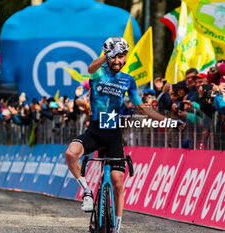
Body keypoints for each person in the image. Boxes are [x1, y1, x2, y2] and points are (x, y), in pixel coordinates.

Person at [65, 36, 185, 233]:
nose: (118, 61)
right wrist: (105, 57)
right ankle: (87, 192)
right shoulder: (98, 75)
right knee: (71, 154)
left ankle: (117, 228)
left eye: (122, 57)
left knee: (117, 182)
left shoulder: (128, 80)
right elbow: (90, 69)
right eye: (115, 57)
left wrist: (170, 121)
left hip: (113, 134)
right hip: (94, 131)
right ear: (108, 56)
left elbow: (141, 108)